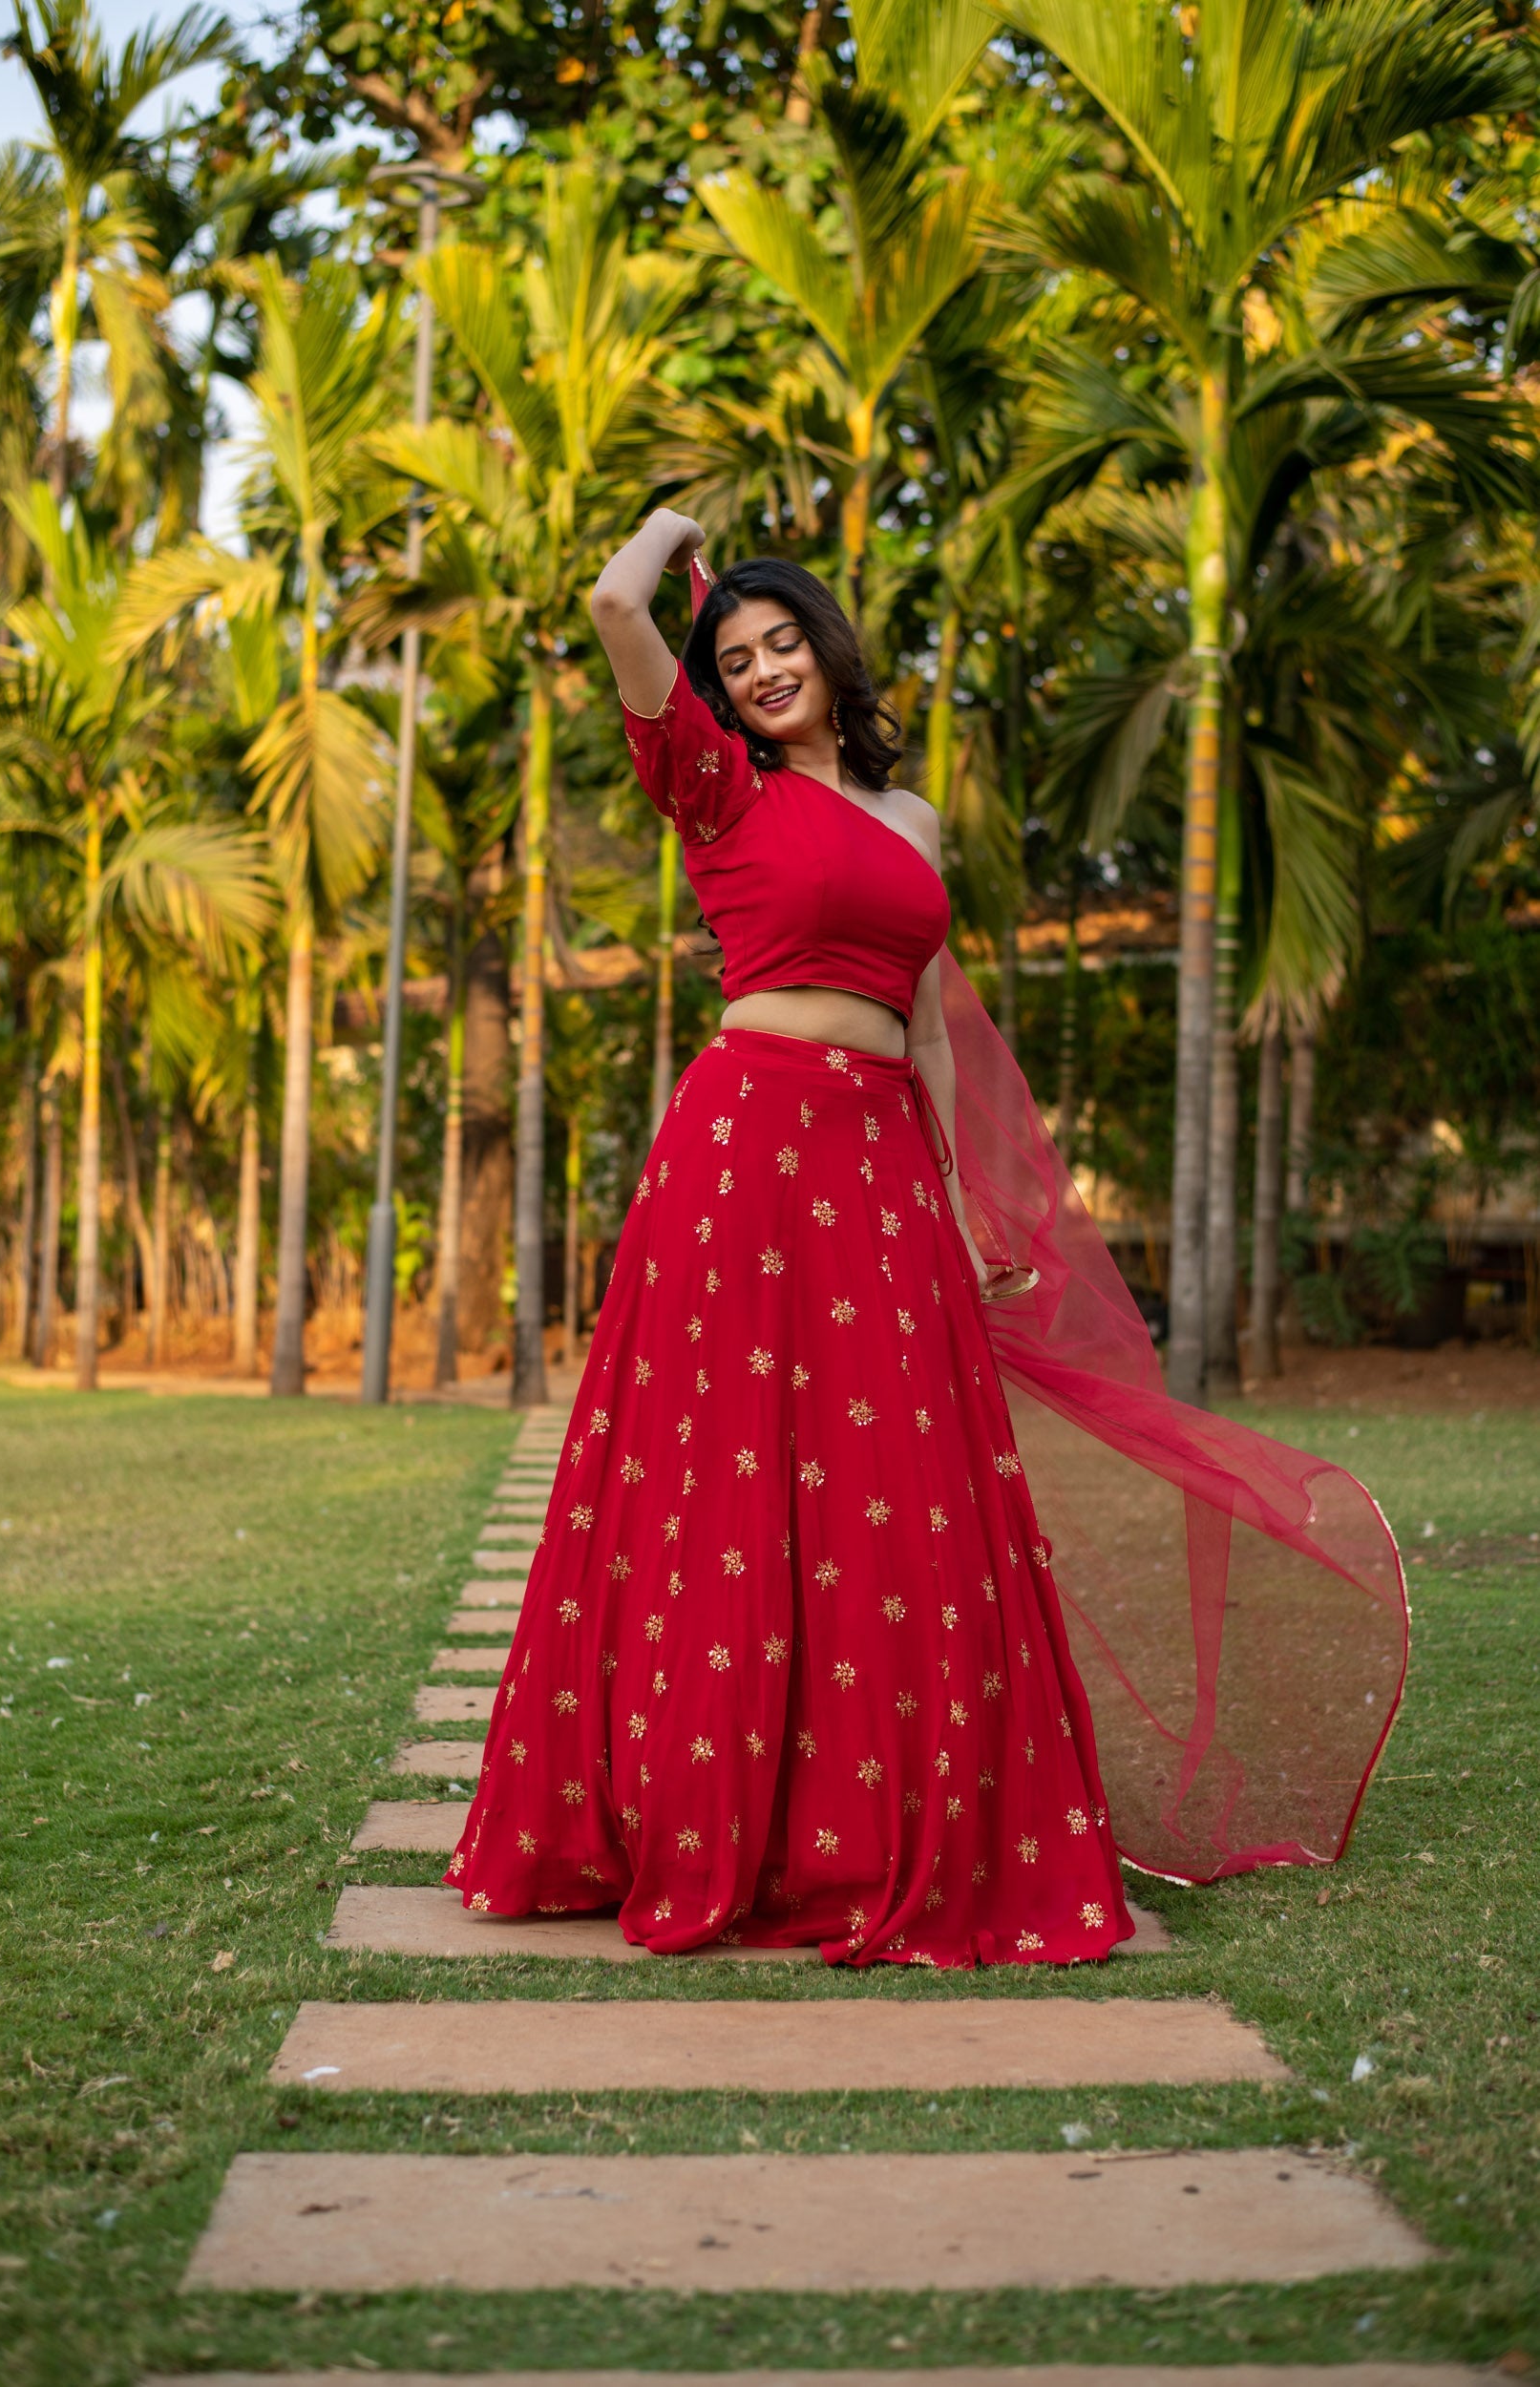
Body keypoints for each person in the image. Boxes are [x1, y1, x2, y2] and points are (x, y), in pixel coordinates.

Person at [442, 507, 1132, 1966]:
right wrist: (672, 533)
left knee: (900, 1489)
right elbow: (620, 609)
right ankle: (706, 1816)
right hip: (747, 1153)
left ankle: (880, 1824)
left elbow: (929, 1019)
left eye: (779, 643)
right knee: (729, 1479)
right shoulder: (712, 788)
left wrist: (961, 1196)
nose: (759, 671)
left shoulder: (915, 822)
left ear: (829, 648)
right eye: (733, 656)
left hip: (879, 1159)